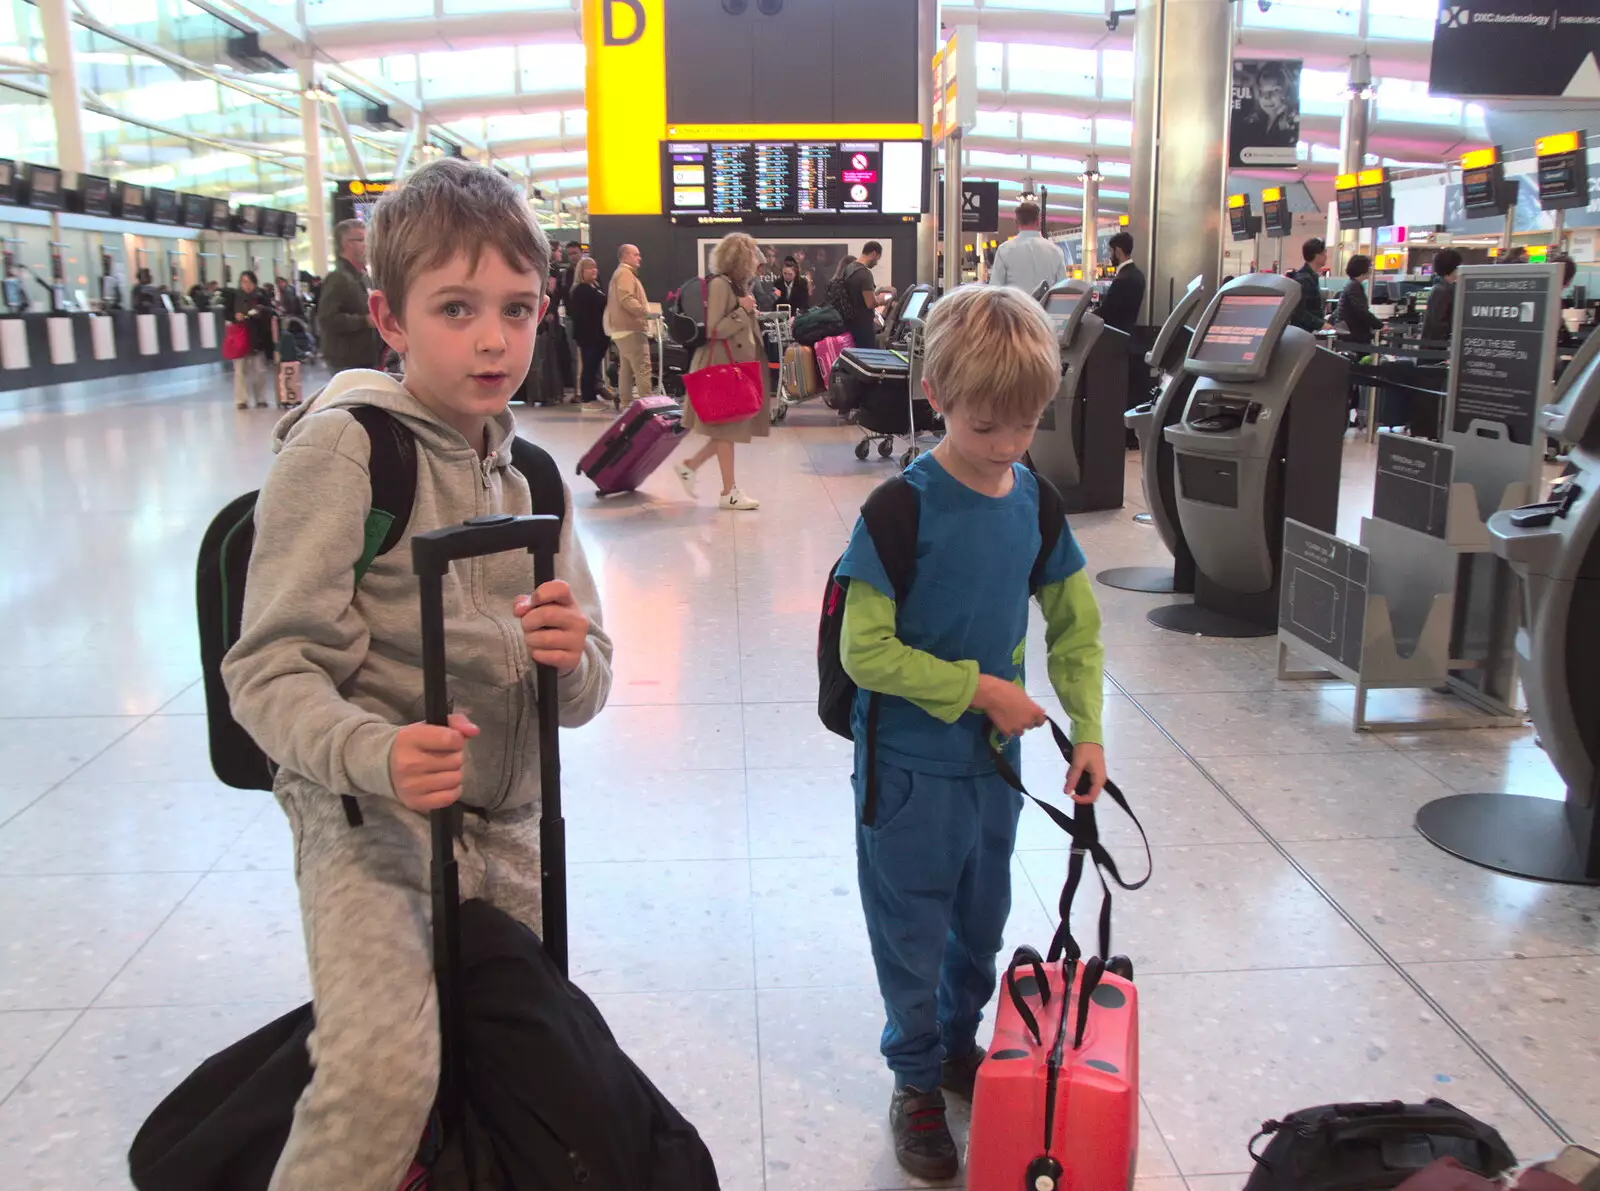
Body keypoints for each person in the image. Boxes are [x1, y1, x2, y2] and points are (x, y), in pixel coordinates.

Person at [221, 157, 614, 1191]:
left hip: (502, 818)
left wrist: (571, 660)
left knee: (517, 1061)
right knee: (384, 1072)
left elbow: (588, 684)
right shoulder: (347, 451)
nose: (495, 339)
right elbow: (267, 668)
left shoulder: (532, 473)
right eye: (456, 309)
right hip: (366, 816)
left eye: (518, 309)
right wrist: (375, 752)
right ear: (390, 320)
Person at [835, 284, 1108, 1182]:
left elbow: (1074, 626)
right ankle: (915, 1078)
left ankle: (958, 1041)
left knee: (981, 921)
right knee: (909, 927)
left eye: (1026, 424)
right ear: (939, 397)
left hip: (994, 769)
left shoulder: (1035, 502)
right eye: (988, 426)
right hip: (907, 773)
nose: (1008, 447)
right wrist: (982, 688)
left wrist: (1091, 732)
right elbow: (864, 650)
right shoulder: (897, 512)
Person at [672, 232, 770, 511]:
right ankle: (728, 491)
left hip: (732, 365)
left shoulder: (735, 286)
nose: (756, 260)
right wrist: (742, 310)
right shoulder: (721, 286)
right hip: (721, 366)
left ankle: (692, 467)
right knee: (728, 429)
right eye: (752, 254)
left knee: (728, 429)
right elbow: (715, 328)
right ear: (741, 257)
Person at [317, 218, 384, 374]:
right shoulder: (338, 278)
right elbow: (327, 319)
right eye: (362, 240)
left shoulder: (363, 277)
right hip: (347, 363)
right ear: (347, 243)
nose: (367, 245)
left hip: (367, 359)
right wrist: (364, 321)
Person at [988, 201, 1067, 298]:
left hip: (1015, 310)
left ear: (1016, 223)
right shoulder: (1056, 251)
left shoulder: (1004, 250)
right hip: (1045, 312)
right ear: (1038, 221)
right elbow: (1062, 290)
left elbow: (995, 290)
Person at [607, 243, 653, 404]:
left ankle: (626, 403)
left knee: (626, 369)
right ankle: (648, 406)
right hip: (631, 327)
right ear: (625, 256)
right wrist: (646, 313)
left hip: (621, 329)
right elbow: (626, 299)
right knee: (642, 368)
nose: (639, 258)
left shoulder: (620, 274)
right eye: (636, 254)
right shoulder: (625, 274)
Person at [224, 270, 276, 409]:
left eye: (248, 282)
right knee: (240, 370)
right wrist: (235, 316)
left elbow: (270, 311)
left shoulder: (261, 296)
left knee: (259, 369)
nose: (245, 285)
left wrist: (260, 312)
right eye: (243, 282)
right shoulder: (235, 296)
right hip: (240, 337)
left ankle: (261, 398)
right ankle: (241, 399)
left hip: (257, 337)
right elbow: (227, 314)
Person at [568, 254, 612, 409]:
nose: (594, 270)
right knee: (589, 366)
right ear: (582, 271)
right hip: (589, 336)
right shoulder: (581, 290)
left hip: (599, 335)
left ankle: (592, 396)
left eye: (595, 267)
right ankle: (587, 399)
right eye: (589, 268)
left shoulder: (596, 286)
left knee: (594, 367)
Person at [833, 241, 884, 349]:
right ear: (874, 253)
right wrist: (883, 299)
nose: (876, 263)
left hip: (849, 325)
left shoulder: (848, 269)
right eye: (877, 259)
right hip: (863, 328)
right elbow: (870, 303)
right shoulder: (865, 273)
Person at [1098, 231, 1144, 334]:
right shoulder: (1138, 274)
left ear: (1117, 251)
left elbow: (1106, 312)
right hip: (1129, 334)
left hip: (1114, 337)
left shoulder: (1122, 280)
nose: (1110, 256)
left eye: (1110, 251)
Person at [1338, 254, 1385, 344]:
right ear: (1363, 268)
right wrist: (1380, 325)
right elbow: (1361, 311)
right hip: (1354, 335)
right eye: (1370, 266)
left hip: (1352, 332)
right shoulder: (1354, 286)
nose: (1371, 268)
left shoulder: (1352, 284)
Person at [1421, 248, 1462, 344]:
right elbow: (1439, 325)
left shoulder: (1441, 287)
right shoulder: (1442, 291)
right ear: (1453, 268)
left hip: (1435, 348)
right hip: (1436, 352)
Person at [1290, 237, 1330, 333]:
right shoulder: (1303, 279)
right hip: (1302, 333)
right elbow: (1299, 311)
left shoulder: (1312, 276)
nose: (1326, 256)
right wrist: (1321, 324)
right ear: (1317, 255)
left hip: (1309, 330)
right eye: (1324, 253)